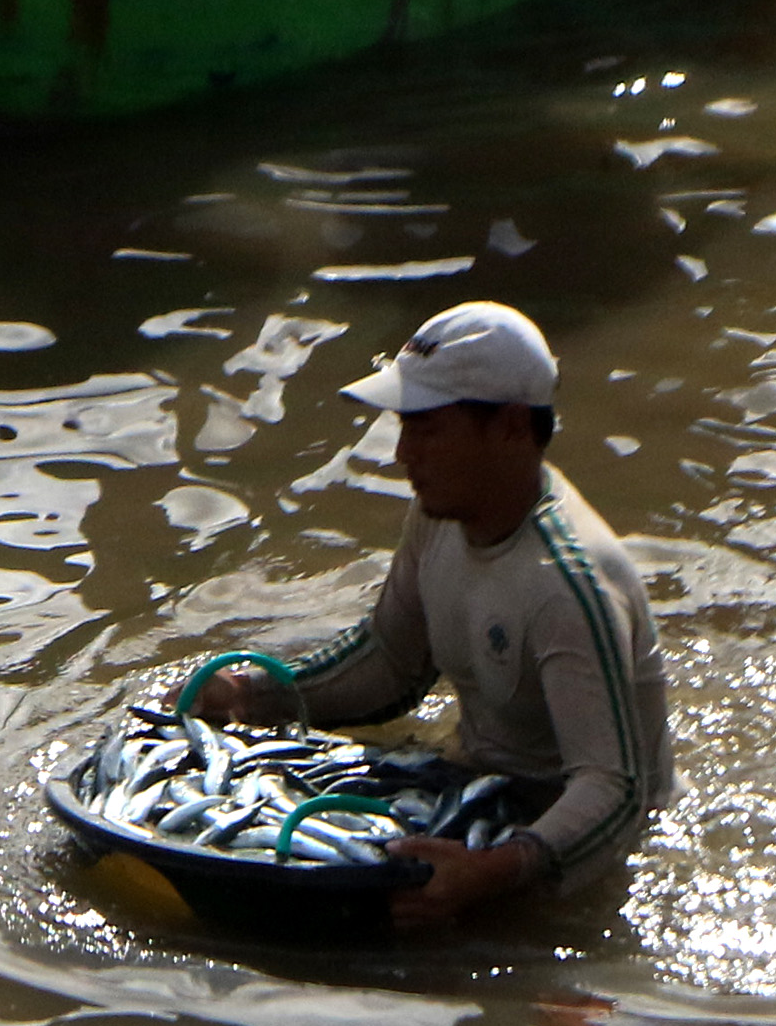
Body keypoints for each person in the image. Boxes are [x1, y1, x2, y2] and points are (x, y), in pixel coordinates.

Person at [194, 300, 671, 920]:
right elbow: (391, 661)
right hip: (472, 788)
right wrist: (251, 696)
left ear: (509, 427)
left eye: (427, 428)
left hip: (574, 848)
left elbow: (615, 792)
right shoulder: (437, 517)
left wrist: (493, 873)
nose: (402, 455)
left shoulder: (567, 586)